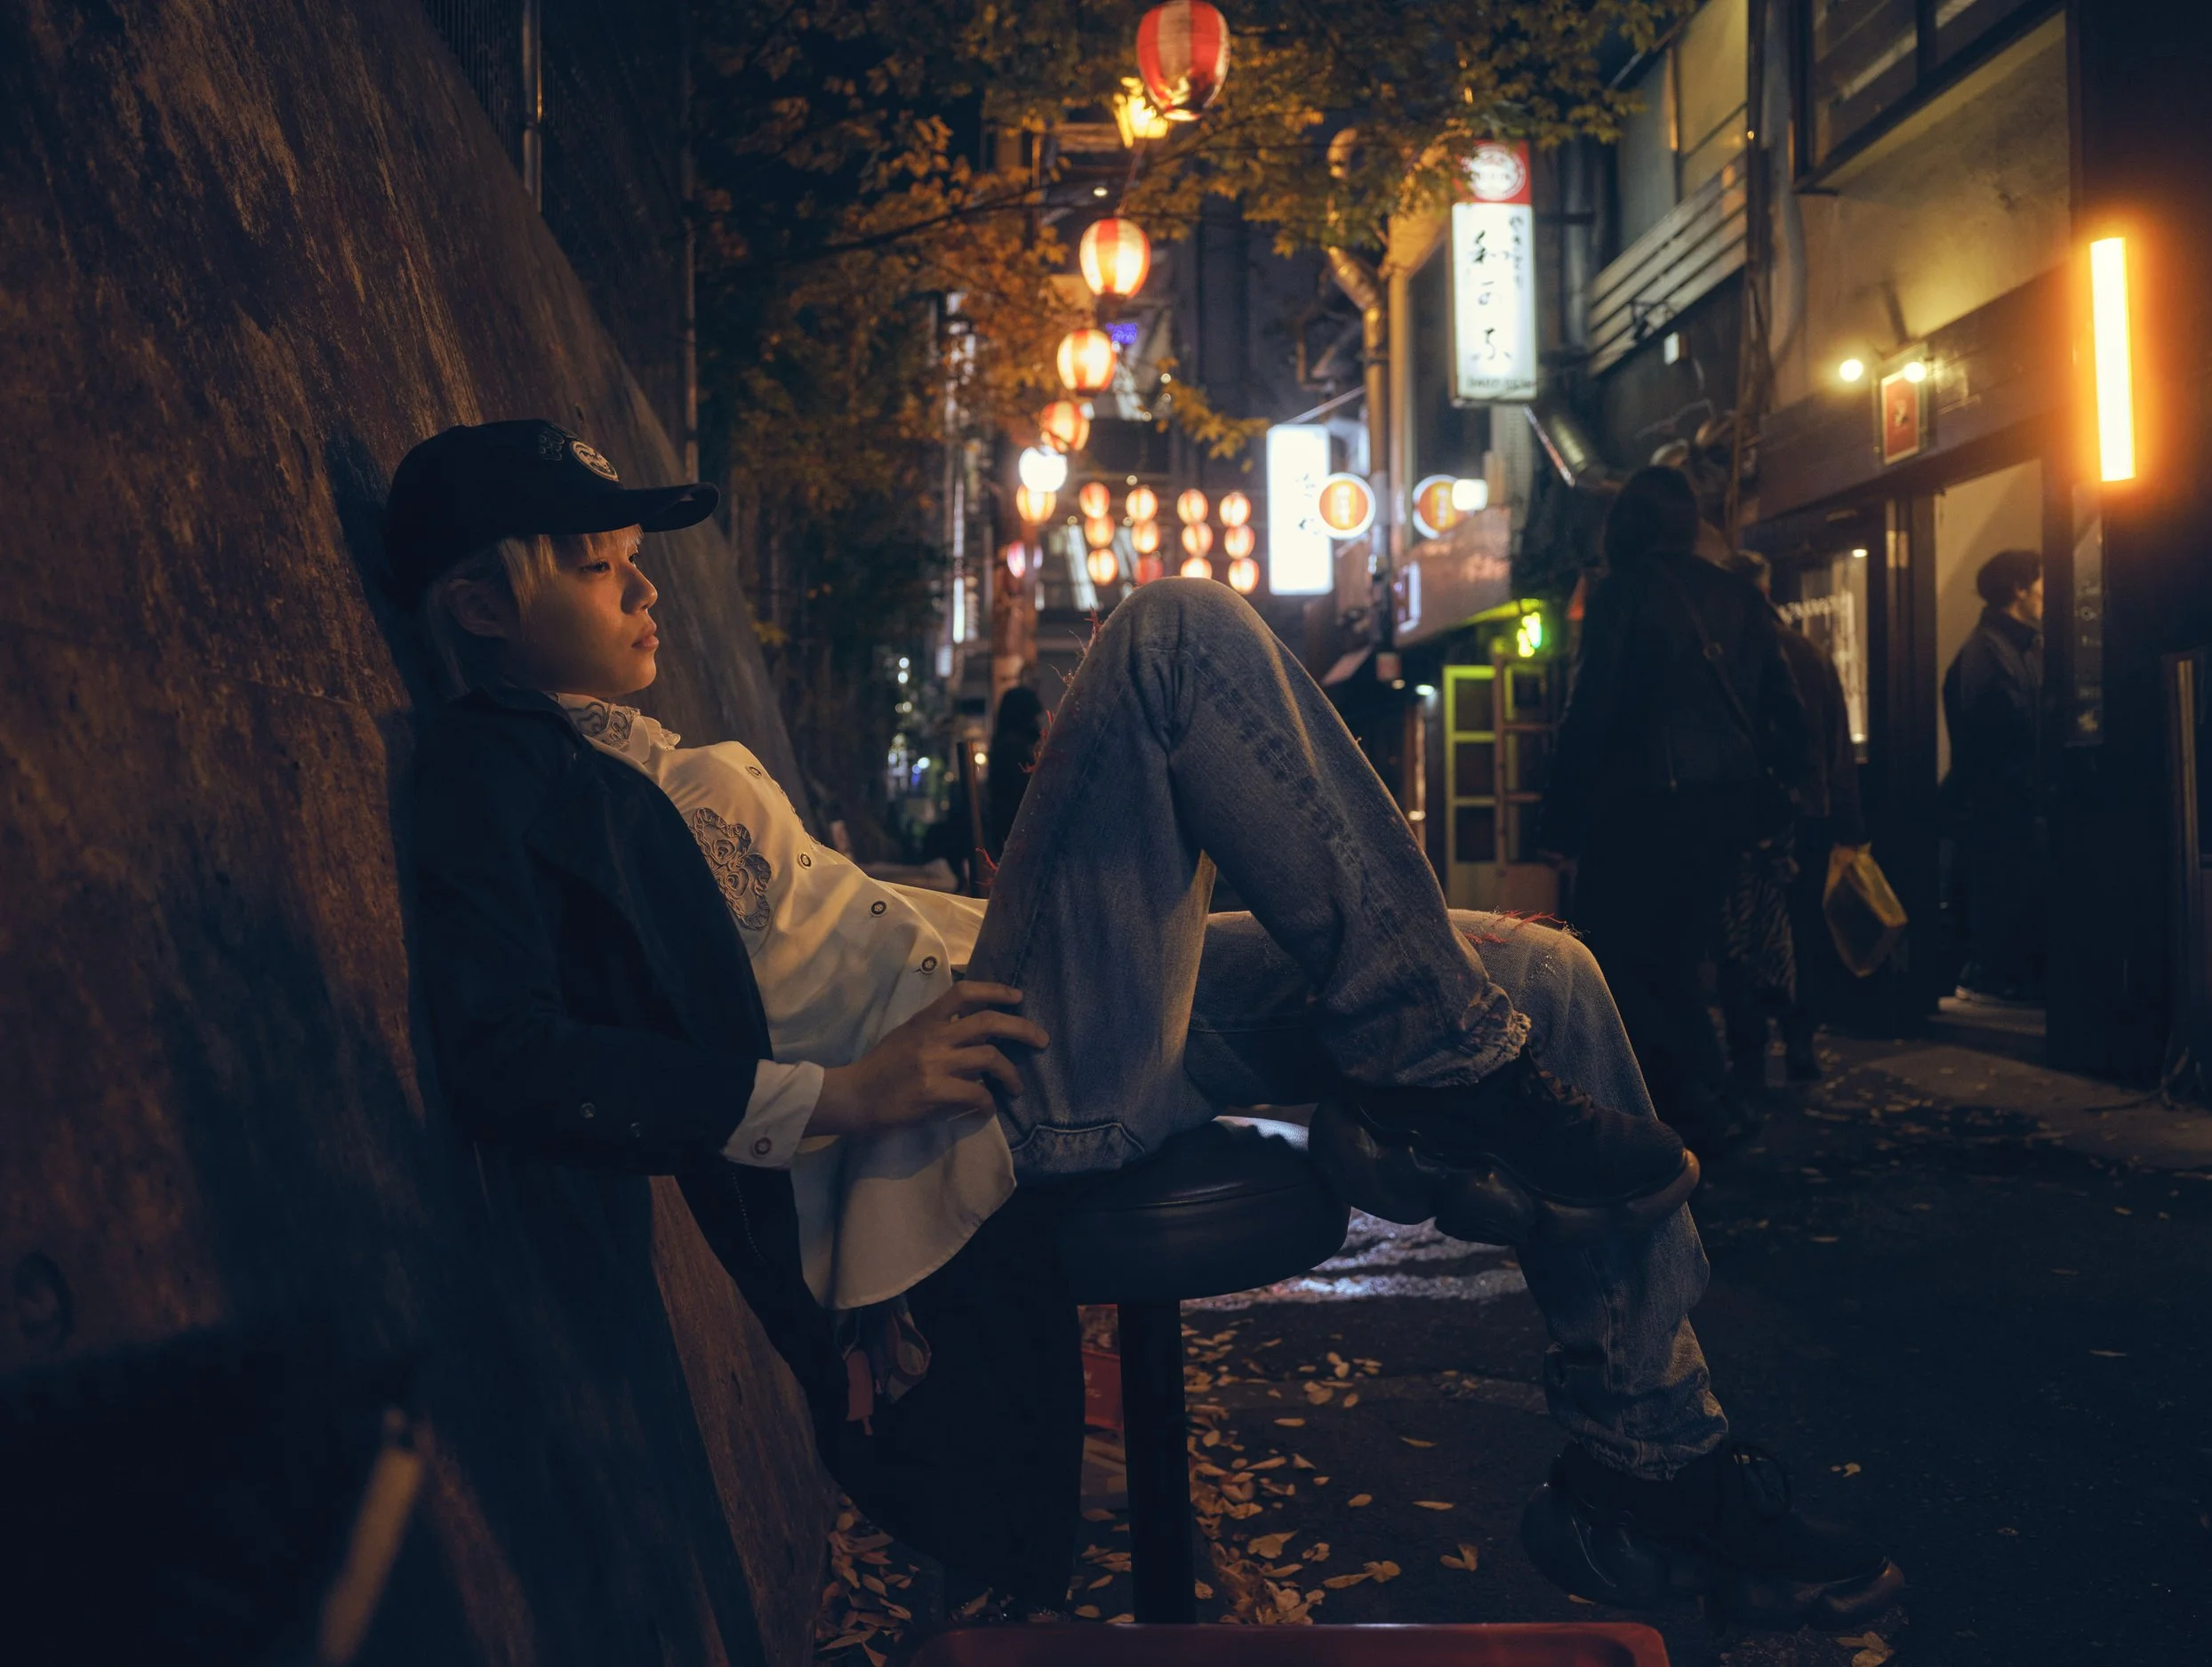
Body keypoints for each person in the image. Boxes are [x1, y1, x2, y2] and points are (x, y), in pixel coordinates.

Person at [395, 421, 1899, 1631]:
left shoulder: (641, 748)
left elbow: (828, 931)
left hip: (1015, 996)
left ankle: (1651, 1462)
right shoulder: (496, 774)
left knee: (1542, 974)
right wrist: (839, 1098)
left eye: (637, 562)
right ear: (477, 604)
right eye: (598, 567)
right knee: (1173, 630)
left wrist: (1010, 908)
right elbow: (511, 1057)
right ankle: (1443, 1078)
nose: (645, 590)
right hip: (984, 1102)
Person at [1539, 469, 1814, 1151]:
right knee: (1680, 955)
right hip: (1724, 811)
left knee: (1624, 958)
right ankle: (1705, 1097)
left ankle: (1689, 1099)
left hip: (1640, 809)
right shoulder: (1740, 596)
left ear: (1625, 525)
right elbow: (1787, 714)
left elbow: (1591, 711)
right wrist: (1775, 802)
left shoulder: (1622, 593)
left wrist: (1560, 822)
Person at [1719, 551, 1867, 1086]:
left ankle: (1749, 1052)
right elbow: (1836, 749)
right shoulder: (1807, 654)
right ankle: (1800, 1042)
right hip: (1807, 817)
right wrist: (1848, 826)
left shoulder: (1721, 657)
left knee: (1740, 935)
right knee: (1802, 930)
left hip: (1741, 820)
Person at [1942, 549, 2045, 1001]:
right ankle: (1997, 976)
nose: (2047, 591)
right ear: (2020, 589)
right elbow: (2005, 735)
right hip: (2001, 809)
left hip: (2011, 804)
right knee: (2004, 897)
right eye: (2041, 580)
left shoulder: (2014, 646)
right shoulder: (1989, 652)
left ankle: (2005, 974)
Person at [984, 684, 1047, 863]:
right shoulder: (1013, 747)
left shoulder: (1007, 744)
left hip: (1009, 830)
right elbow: (1022, 792)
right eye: (1032, 717)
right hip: (1018, 831)